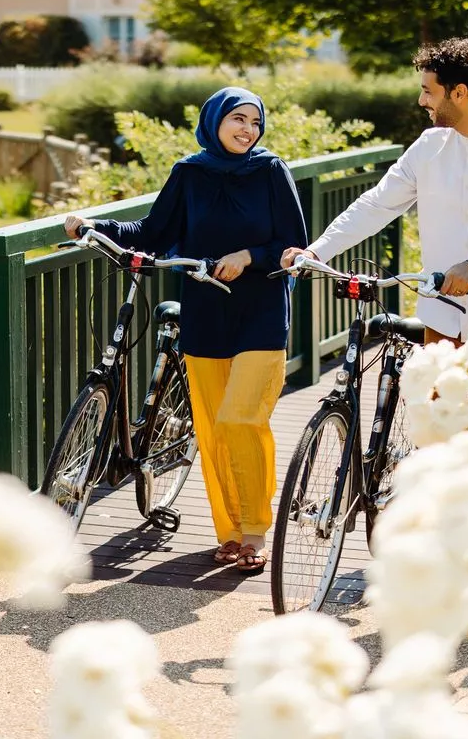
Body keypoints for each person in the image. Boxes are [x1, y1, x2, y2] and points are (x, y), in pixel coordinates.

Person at [279, 36, 468, 602]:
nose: (421, 101)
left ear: (461, 91)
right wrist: (319, 250)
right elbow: (377, 204)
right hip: (442, 321)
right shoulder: (429, 148)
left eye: (429, 91)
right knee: (441, 445)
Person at [65, 87, 308, 575]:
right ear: (214, 121)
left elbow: (294, 245)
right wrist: (96, 225)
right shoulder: (189, 173)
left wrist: (249, 257)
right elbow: (153, 233)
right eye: (238, 120)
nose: (247, 130)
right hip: (204, 311)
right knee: (214, 430)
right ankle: (231, 532)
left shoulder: (270, 170)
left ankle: (257, 530)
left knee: (243, 420)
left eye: (255, 122)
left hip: (261, 312)